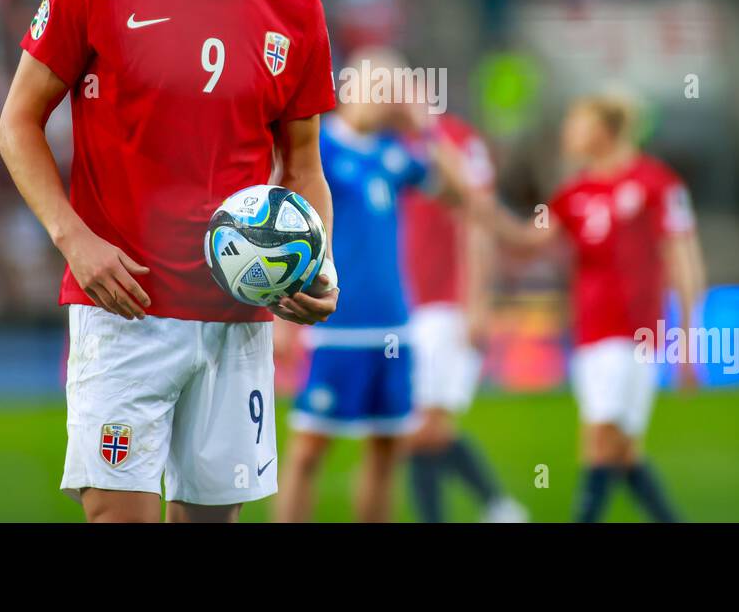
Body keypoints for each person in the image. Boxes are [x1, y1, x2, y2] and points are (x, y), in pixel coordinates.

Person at [0, 0, 338, 523]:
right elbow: (18, 122)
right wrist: (73, 238)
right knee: (117, 516)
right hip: (124, 304)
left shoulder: (297, 9)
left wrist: (318, 262)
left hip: (237, 315)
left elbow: (302, 163)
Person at [474, 91, 706, 523]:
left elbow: (685, 262)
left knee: (602, 442)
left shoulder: (656, 184)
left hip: (634, 334)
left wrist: (690, 340)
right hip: (591, 334)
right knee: (620, 449)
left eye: (577, 122)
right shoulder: (573, 193)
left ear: (604, 128)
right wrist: (479, 207)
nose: (569, 131)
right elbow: (528, 241)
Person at [274, 49, 465, 522]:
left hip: (394, 325)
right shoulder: (319, 148)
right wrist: (279, 318)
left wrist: (426, 126)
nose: (390, 99)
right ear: (352, 89)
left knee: (386, 450)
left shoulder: (394, 152)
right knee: (308, 450)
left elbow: (461, 192)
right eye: (383, 87)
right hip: (336, 324)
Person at [401, 107, 527, 522]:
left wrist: (477, 300)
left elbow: (479, 216)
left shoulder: (457, 140)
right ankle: (498, 506)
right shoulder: (378, 142)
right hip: (401, 306)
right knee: (422, 431)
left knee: (424, 430)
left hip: (445, 304)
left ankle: (497, 506)